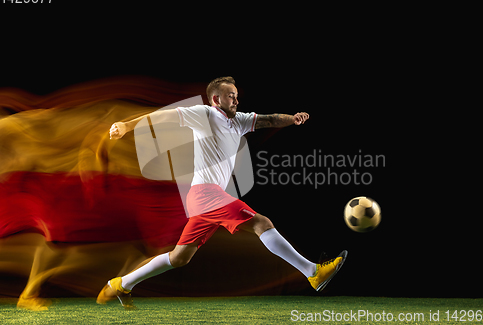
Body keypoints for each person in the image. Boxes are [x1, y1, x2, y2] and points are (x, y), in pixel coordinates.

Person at [97, 76, 347, 309]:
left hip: (204, 199)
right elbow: (163, 117)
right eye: (231, 96)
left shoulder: (238, 121)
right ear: (216, 99)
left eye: (237, 95)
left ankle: (120, 284)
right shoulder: (204, 114)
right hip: (206, 194)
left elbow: (268, 120)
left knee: (179, 257)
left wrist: (292, 119)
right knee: (261, 222)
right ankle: (313, 273)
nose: (237, 100)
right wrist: (127, 126)